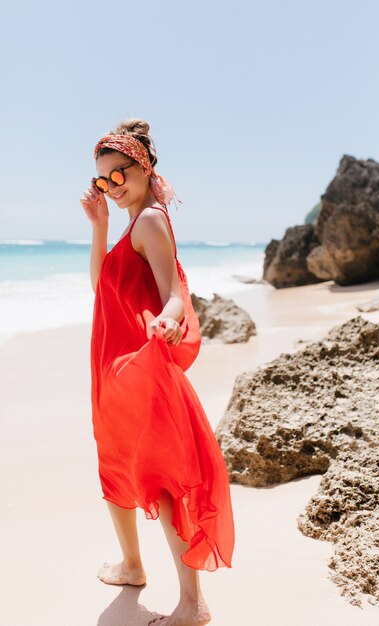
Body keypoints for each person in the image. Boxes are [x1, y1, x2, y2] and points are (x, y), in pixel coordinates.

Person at [80, 118, 235, 626]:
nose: (111, 186)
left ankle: (192, 603)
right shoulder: (130, 221)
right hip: (113, 365)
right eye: (103, 179)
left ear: (142, 167)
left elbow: (172, 290)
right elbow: (100, 284)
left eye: (118, 174)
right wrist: (100, 224)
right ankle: (130, 564)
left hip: (138, 365)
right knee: (117, 464)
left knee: (163, 478)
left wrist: (170, 317)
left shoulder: (150, 220)